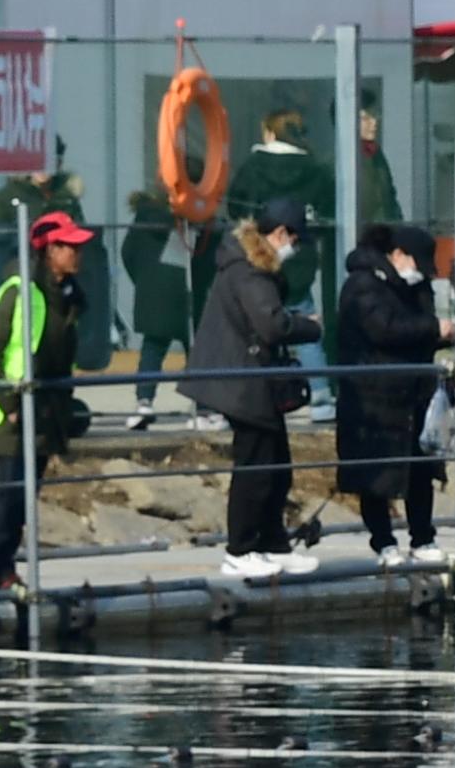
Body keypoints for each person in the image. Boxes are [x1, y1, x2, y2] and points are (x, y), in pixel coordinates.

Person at [0, 210, 92, 598]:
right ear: (49, 250)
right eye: (69, 246)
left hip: (44, 413)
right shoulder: (20, 292)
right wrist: (9, 402)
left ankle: (1, 568)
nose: (77, 254)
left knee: (24, 493)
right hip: (11, 412)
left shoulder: (66, 297)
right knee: (11, 492)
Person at [187, 196, 322, 580]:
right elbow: (271, 325)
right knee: (255, 468)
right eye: (293, 239)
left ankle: (272, 543)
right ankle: (241, 549)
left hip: (252, 379)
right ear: (279, 234)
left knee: (277, 466)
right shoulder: (250, 271)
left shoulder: (251, 268)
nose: (293, 248)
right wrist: (310, 325)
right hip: (242, 382)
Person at [334, 221, 454, 564]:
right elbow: (383, 328)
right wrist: (433, 327)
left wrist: (441, 334)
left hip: (413, 391)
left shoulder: (415, 288)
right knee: (376, 472)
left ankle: (423, 538)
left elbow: (418, 327)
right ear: (398, 255)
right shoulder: (363, 285)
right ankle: (383, 541)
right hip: (372, 394)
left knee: (420, 469)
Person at [224, 107, 334, 309]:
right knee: (305, 327)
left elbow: (235, 208)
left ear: (270, 134)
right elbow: (327, 214)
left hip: (259, 259)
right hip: (301, 262)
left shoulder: (252, 167)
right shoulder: (317, 170)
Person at [118, 185, 197, 429]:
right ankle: (203, 406)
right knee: (197, 350)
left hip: (152, 294)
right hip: (187, 293)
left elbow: (127, 252)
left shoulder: (142, 219)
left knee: (152, 350)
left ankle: (144, 402)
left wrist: (142, 281)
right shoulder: (190, 221)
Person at [352, 97, 402, 226]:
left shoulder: (377, 156)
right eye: (365, 118)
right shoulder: (337, 163)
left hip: (384, 235)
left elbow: (390, 198)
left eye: (374, 116)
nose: (374, 122)